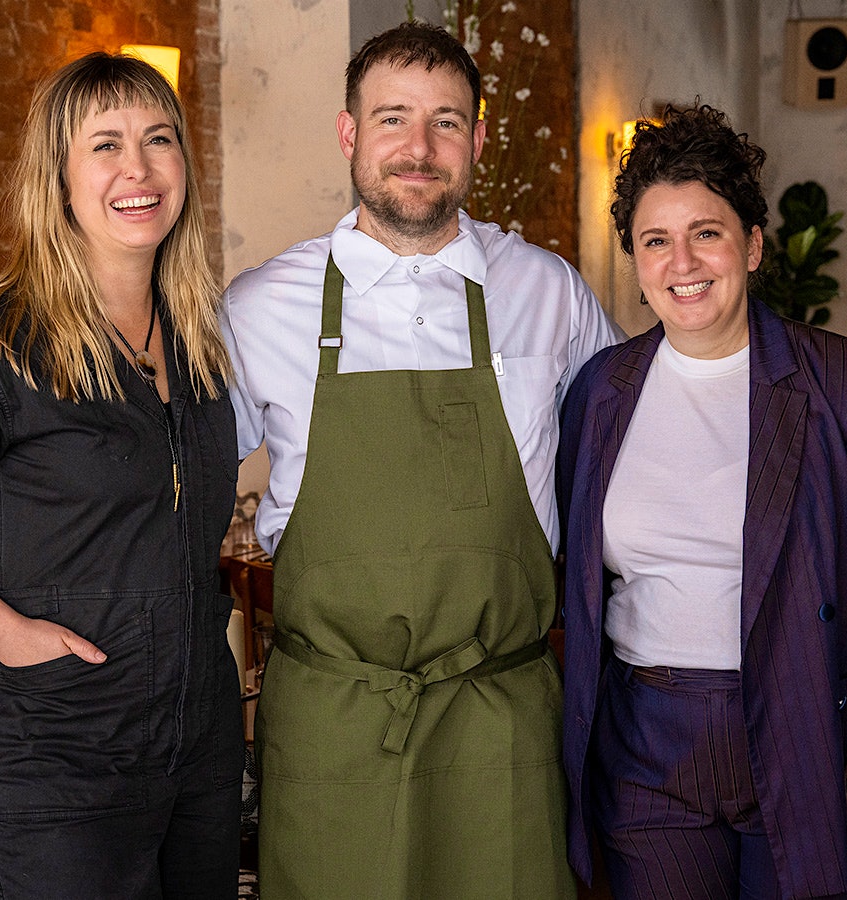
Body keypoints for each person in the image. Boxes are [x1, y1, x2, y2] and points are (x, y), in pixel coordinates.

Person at [220, 21, 621, 900]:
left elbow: (632, 468)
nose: (419, 147)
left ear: (478, 140)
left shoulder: (548, 293)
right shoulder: (258, 308)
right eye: (392, 117)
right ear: (349, 133)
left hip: (500, 725)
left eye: (446, 121)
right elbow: (167, 489)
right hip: (333, 725)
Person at [0, 51, 241, 899]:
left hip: (195, 739)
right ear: (59, 181)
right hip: (52, 746)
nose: (138, 169)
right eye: (104, 145)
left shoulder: (202, 341)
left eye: (158, 139)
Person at [556, 103, 847, 899]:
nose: (682, 261)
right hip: (644, 746)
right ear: (633, 260)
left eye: (707, 231)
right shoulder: (601, 391)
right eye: (655, 240)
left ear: (754, 244)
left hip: (807, 728)